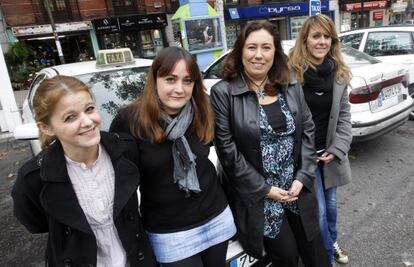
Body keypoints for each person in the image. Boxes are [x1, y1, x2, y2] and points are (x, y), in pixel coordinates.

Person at [210, 20, 330, 267]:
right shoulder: (224, 92)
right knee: (285, 256)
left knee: (315, 253)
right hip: (260, 197)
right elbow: (227, 151)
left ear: (275, 52)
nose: (259, 55)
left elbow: (307, 128)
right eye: (251, 47)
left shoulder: (290, 83)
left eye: (266, 47)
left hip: (297, 188)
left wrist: (303, 175)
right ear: (240, 50)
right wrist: (264, 189)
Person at [109, 46, 236, 267]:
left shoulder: (203, 110)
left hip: (216, 217)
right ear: (155, 80)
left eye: (187, 81)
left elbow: (233, 145)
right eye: (170, 79)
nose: (179, 89)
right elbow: (116, 183)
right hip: (169, 232)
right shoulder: (130, 120)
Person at [11, 75, 157, 267]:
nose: (87, 122)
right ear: (46, 127)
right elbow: (37, 223)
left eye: (89, 109)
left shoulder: (126, 150)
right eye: (70, 117)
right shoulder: (33, 179)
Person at [288, 14, 353, 265]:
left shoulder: (339, 73)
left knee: (332, 208)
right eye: (316, 36)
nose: (322, 41)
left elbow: (345, 117)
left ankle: (331, 242)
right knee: (319, 211)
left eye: (327, 36)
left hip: (330, 156)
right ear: (305, 40)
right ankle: (324, 256)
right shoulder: (291, 74)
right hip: (305, 158)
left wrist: (337, 149)